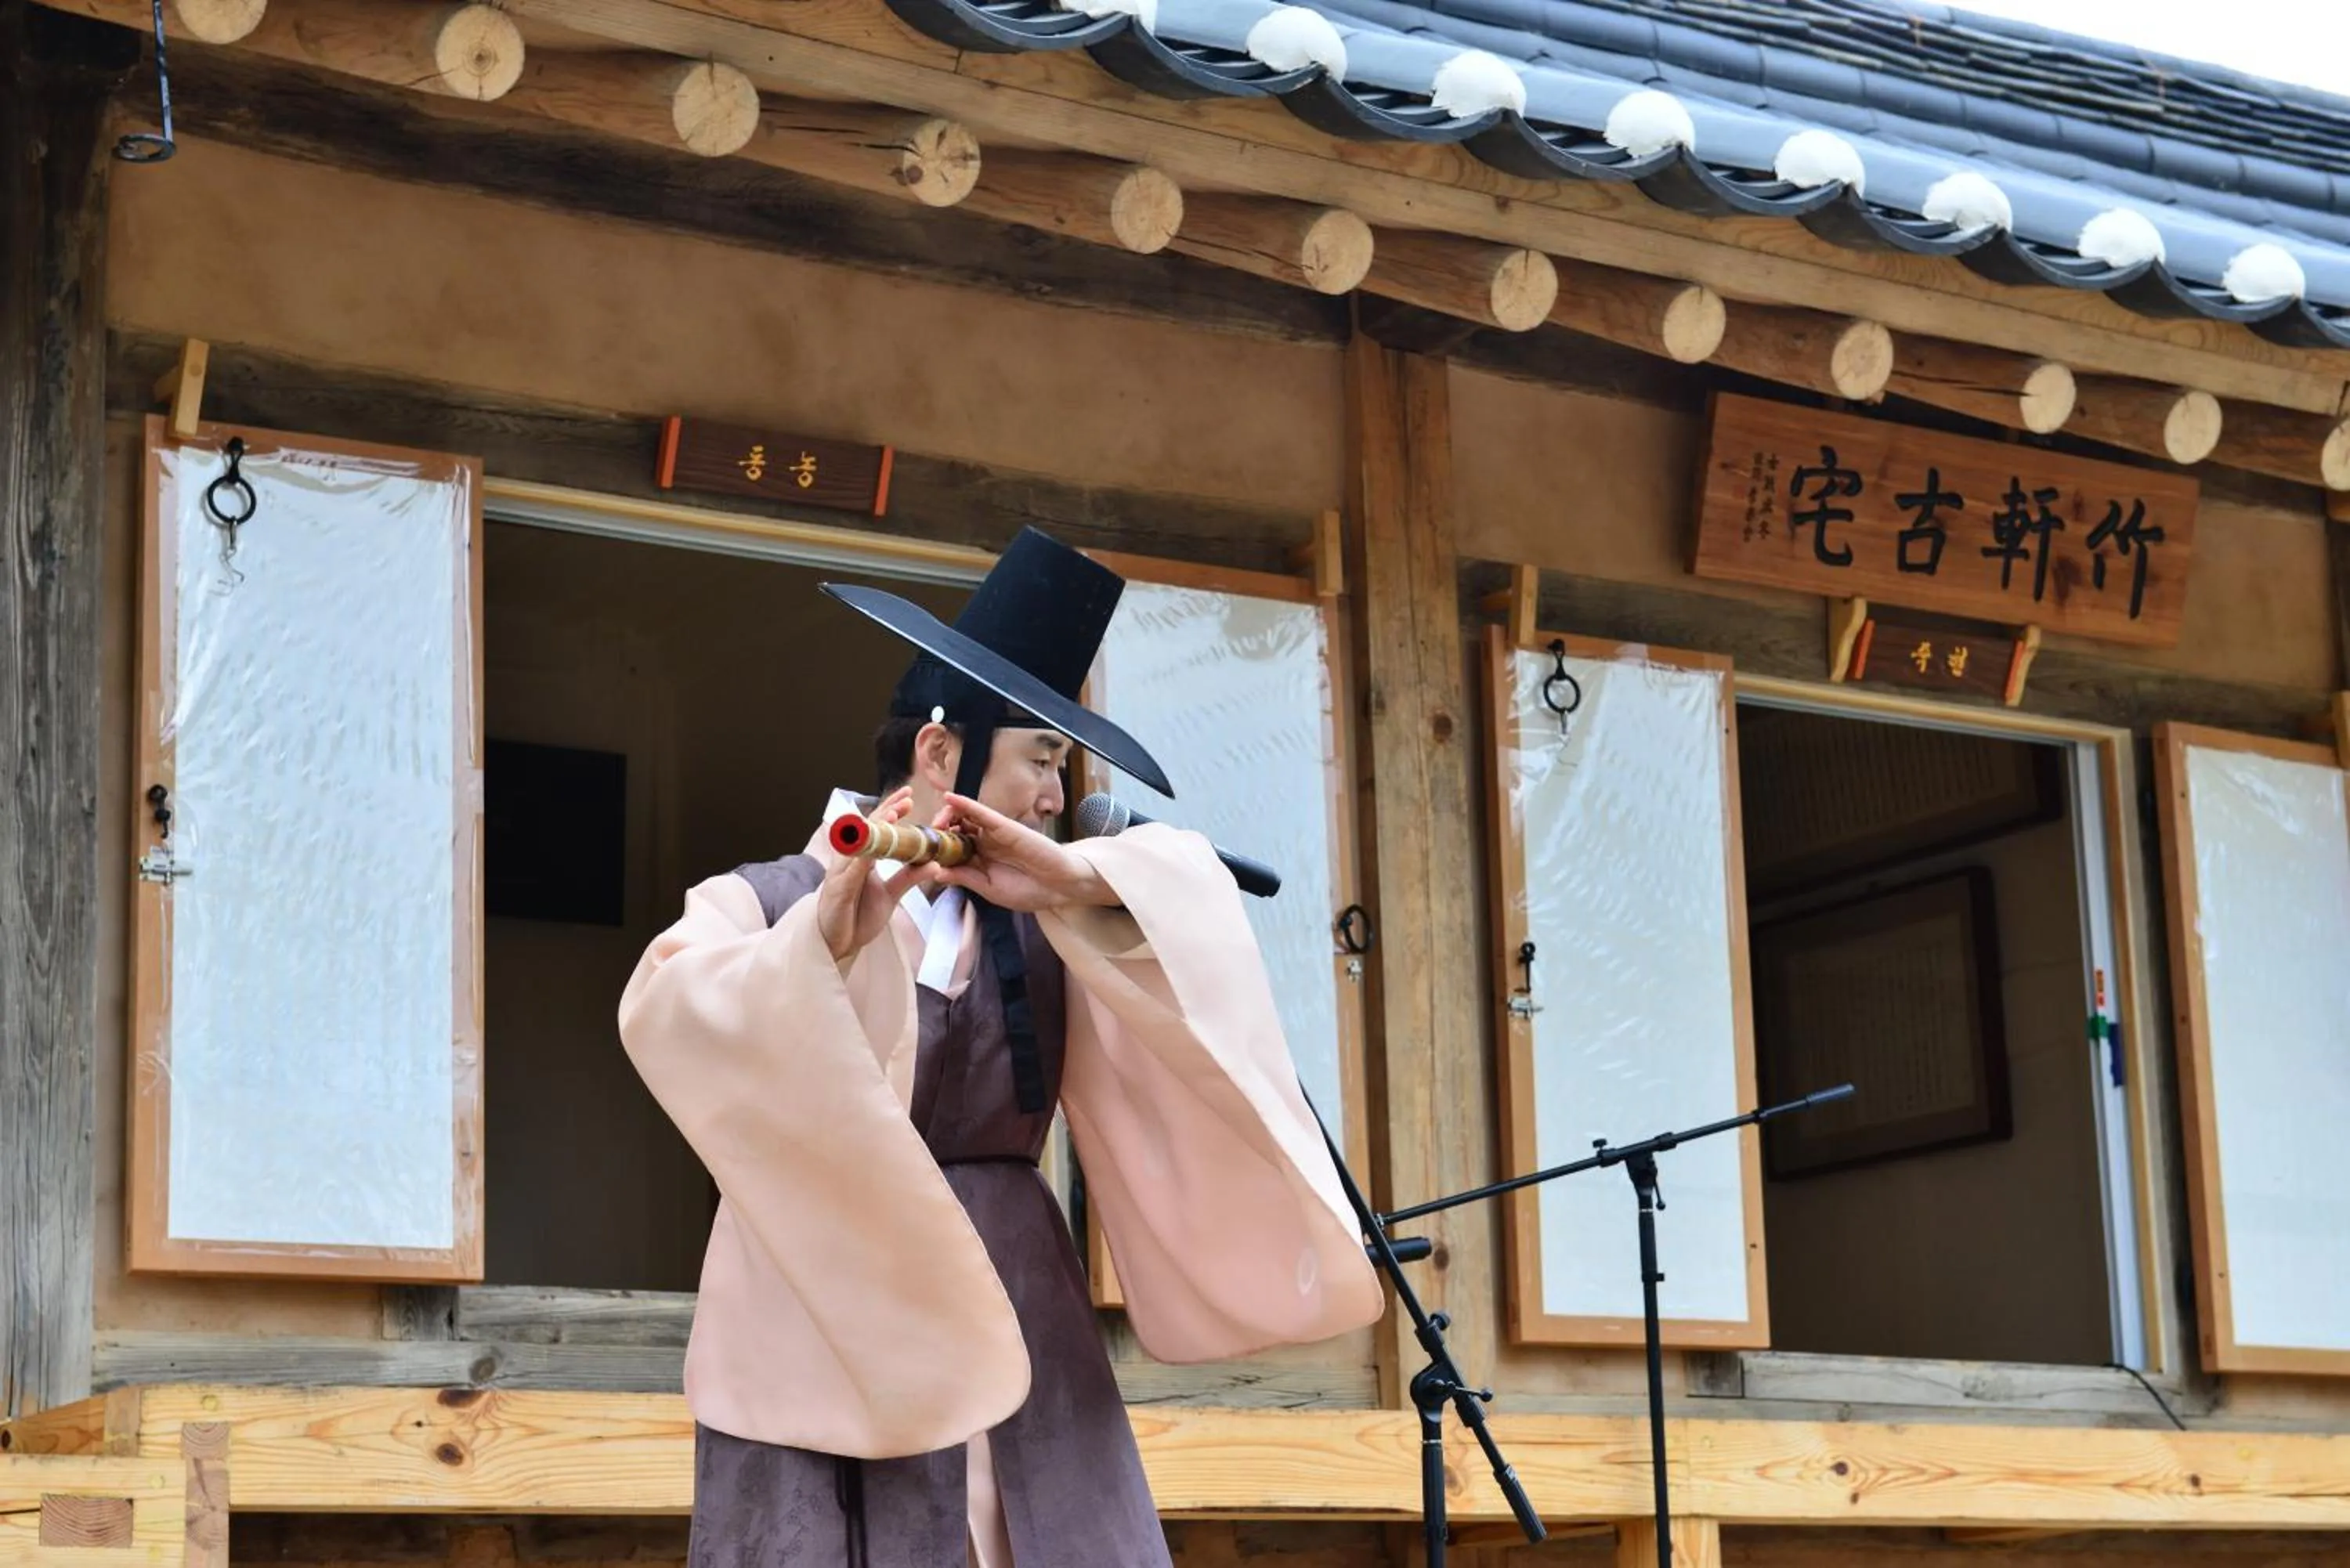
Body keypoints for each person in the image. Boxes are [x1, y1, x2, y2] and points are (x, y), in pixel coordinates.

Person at [616, 527, 1384, 1568]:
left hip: (1021, 1288)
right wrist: (824, 940)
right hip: (827, 1299)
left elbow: (1189, 936)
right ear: (940, 753)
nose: (1055, 797)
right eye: (1040, 760)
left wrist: (1069, 882)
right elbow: (670, 1008)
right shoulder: (762, 898)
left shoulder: (1039, 909)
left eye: (1061, 767)